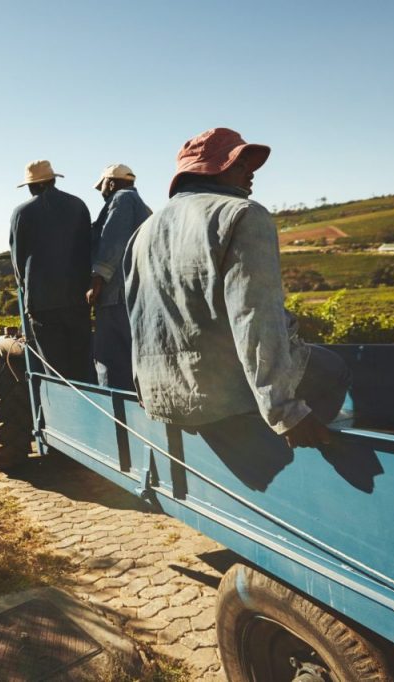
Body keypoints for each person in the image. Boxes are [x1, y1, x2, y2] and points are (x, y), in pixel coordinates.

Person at [123, 128, 350, 448]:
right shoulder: (242, 214)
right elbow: (255, 315)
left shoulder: (141, 233)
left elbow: (137, 319)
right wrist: (284, 411)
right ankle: (297, 459)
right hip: (219, 394)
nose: (251, 174)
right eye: (240, 165)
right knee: (333, 368)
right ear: (213, 168)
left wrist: (147, 393)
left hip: (162, 396)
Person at [9, 159, 92, 381]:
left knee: (55, 368)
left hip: (42, 303)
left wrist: (25, 288)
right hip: (78, 299)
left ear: (32, 186)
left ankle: (61, 409)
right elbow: (88, 248)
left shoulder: (22, 213)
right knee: (83, 362)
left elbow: (18, 262)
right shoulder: (78, 205)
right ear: (54, 180)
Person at [87, 164, 151, 389]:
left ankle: (113, 412)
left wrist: (97, 280)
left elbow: (112, 241)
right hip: (134, 295)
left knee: (110, 358)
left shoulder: (121, 199)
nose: (102, 192)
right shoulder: (142, 206)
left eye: (102, 186)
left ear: (111, 183)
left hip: (115, 294)